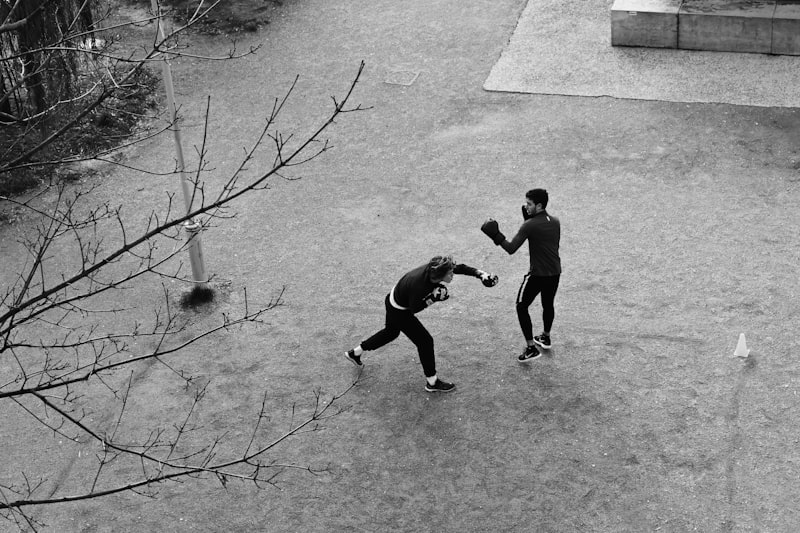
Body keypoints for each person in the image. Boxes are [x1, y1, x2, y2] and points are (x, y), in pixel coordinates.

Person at [344, 255, 498, 392]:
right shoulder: (420, 287)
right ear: (440, 276)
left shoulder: (435, 269)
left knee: (390, 333)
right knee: (425, 341)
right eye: (450, 274)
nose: (453, 275)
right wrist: (435, 298)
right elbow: (415, 308)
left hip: (393, 299)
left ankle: (355, 353)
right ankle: (432, 382)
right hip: (400, 310)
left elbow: (461, 268)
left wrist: (481, 274)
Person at [480, 188, 561, 363]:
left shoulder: (529, 225)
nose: (526, 206)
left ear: (539, 205)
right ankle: (545, 337)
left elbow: (511, 248)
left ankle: (531, 348)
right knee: (548, 304)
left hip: (538, 274)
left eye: (529, 204)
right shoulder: (555, 222)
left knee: (521, 306)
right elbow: (544, 239)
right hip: (555, 272)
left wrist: (496, 235)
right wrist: (529, 221)